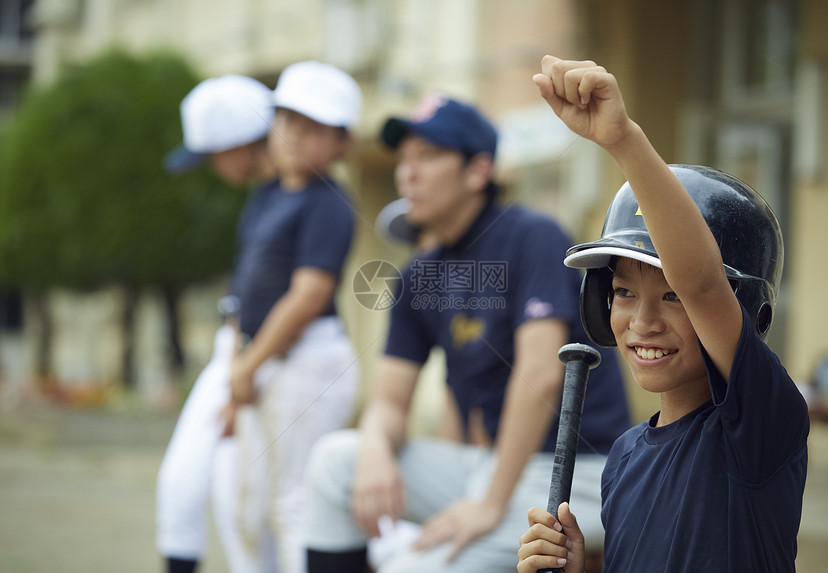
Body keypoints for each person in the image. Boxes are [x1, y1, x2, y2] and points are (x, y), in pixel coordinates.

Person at [303, 95, 631, 572]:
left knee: (406, 570)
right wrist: (374, 447)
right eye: (404, 159)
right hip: (495, 467)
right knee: (336, 460)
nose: (407, 173)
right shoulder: (420, 274)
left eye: (428, 157)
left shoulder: (532, 236)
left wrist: (489, 504)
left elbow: (541, 376)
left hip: (577, 475)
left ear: (478, 171)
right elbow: (390, 401)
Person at [517, 57, 809, 572]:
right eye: (625, 293)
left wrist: (623, 140)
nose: (642, 321)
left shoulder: (759, 424)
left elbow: (702, 281)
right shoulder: (624, 457)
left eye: (671, 297)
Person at [227, 60, 362, 573]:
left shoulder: (328, 201)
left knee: (292, 504)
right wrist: (240, 361)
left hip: (307, 360)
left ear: (341, 142)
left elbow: (307, 296)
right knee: (251, 505)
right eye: (286, 121)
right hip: (263, 360)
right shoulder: (266, 195)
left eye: (312, 128)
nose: (293, 136)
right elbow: (244, 285)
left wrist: (247, 366)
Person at [156, 75, 279, 573]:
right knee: (179, 484)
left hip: (260, 360)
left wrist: (238, 378)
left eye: (214, 154)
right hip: (233, 349)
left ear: (240, 142)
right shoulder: (259, 200)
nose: (213, 167)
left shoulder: (288, 195)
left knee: (242, 507)